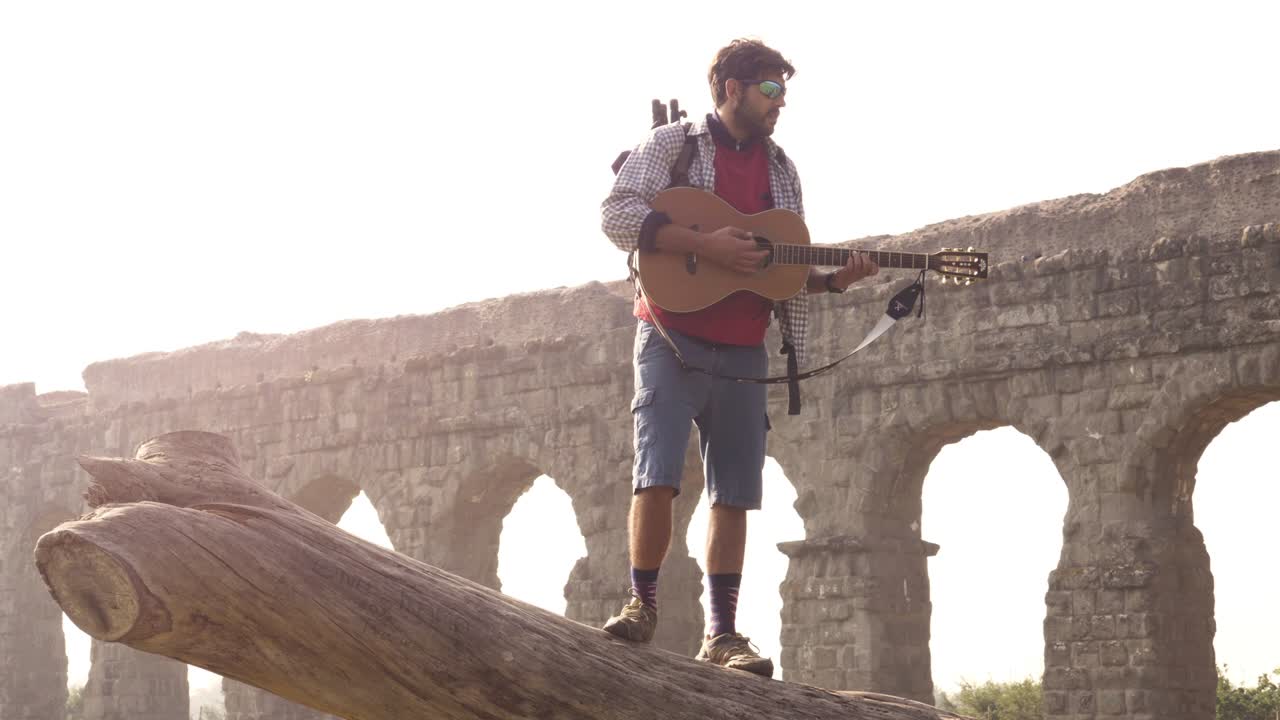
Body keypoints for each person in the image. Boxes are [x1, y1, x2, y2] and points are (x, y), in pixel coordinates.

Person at [599, 38, 879, 678]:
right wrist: (703, 243)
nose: (781, 103)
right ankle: (642, 604)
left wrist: (835, 281)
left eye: (784, 90)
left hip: (744, 345)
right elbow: (617, 211)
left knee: (734, 492)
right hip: (670, 335)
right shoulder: (675, 143)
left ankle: (722, 635)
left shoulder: (784, 170)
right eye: (771, 89)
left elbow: (774, 272)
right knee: (658, 472)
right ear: (732, 88)